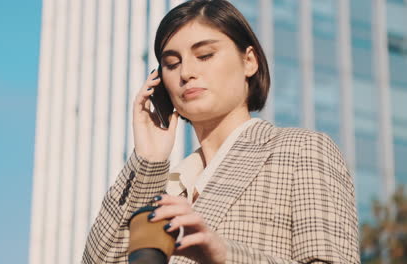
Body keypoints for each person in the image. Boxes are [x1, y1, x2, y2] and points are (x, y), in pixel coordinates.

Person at [82, 0, 360, 263]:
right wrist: (149, 160)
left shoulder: (301, 150)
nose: (186, 72)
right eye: (172, 63)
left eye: (205, 55)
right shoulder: (168, 186)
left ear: (249, 61)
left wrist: (224, 255)